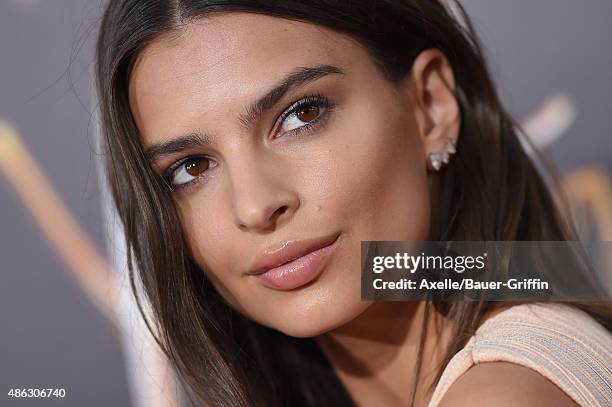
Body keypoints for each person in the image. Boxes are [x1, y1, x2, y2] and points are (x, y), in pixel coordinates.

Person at [95, 1, 612, 406]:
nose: (254, 206)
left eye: (301, 114)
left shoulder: (506, 393)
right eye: (192, 167)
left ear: (429, 108)